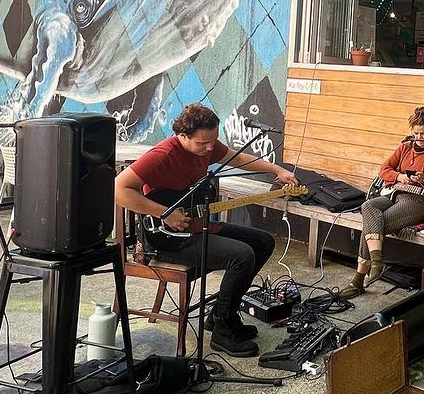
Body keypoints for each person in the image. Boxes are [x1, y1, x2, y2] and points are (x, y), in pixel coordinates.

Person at [114, 103, 300, 356]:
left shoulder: (207, 146)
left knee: (263, 242)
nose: (210, 149)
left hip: (195, 227)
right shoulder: (162, 155)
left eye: (213, 141)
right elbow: (118, 189)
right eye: (203, 143)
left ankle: (220, 314)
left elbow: (237, 158)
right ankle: (223, 329)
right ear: (182, 136)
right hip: (167, 239)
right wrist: (164, 213)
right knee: (241, 255)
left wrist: (276, 169)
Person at [341, 105, 424, 299]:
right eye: (416, 133)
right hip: (396, 195)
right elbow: (384, 170)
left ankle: (358, 279)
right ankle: (376, 261)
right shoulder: (404, 148)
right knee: (368, 206)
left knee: (373, 223)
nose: (419, 137)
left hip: (417, 203)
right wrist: (400, 177)